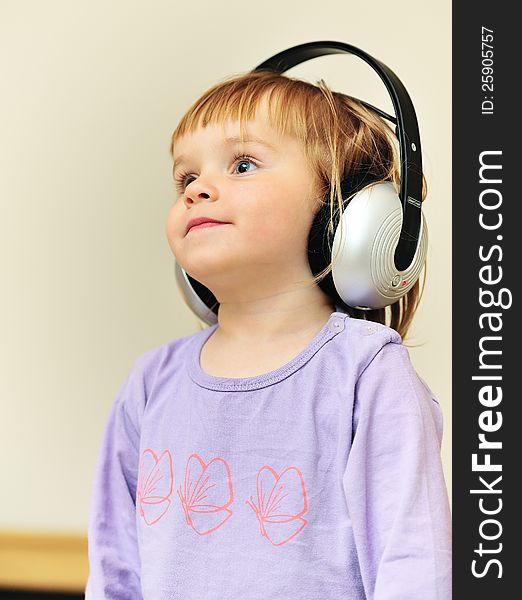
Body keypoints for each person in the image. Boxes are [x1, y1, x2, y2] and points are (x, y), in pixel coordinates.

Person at [85, 69, 452, 599]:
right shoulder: (150, 384)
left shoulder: (366, 373)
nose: (199, 190)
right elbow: (113, 566)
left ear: (345, 212)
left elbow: (414, 566)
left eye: (243, 164)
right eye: (186, 179)